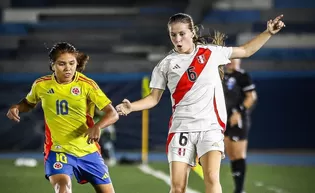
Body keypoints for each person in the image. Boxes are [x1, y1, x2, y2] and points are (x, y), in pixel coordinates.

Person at [116, 13, 285, 193]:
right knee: (177, 187)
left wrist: (268, 33)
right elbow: (153, 98)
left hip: (210, 127)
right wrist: (131, 106)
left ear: (192, 32)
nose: (177, 39)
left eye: (182, 33)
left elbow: (245, 51)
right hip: (181, 128)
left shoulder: (211, 53)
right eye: (173, 35)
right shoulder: (165, 65)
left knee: (212, 178)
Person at [6, 42, 119, 193]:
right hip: (58, 150)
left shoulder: (87, 85)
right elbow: (28, 103)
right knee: (63, 188)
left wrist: (97, 126)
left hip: (88, 151)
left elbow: (113, 113)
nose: (68, 68)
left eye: (72, 63)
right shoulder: (41, 85)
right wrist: (17, 107)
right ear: (52, 65)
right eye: (62, 64)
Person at [223, 59, 257, 193]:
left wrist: (238, 112)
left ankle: (240, 189)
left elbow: (251, 97)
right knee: (231, 154)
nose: (230, 61)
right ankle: (238, 188)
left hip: (238, 120)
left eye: (234, 58)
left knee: (238, 154)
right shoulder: (222, 75)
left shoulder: (242, 76)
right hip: (224, 119)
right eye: (229, 58)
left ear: (239, 60)